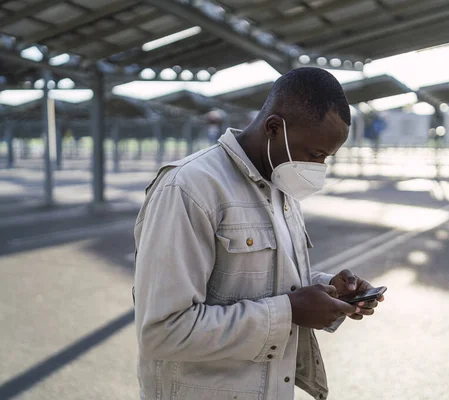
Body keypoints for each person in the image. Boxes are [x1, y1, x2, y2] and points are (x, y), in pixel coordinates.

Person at [133, 67, 385, 400]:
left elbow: (260, 281)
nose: (319, 168)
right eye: (315, 154)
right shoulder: (189, 188)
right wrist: (290, 311)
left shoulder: (280, 185)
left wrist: (325, 289)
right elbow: (162, 331)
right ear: (273, 128)